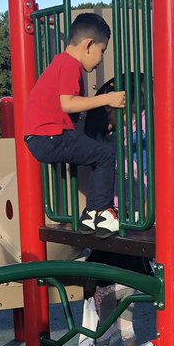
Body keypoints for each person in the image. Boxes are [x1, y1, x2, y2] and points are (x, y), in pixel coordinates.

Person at [23, 13, 126, 237]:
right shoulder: (70, 65)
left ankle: (90, 215)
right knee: (105, 156)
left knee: (95, 152)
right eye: (102, 50)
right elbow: (68, 104)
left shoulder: (59, 63)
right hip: (50, 136)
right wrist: (107, 99)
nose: (101, 58)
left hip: (39, 137)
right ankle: (104, 212)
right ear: (88, 45)